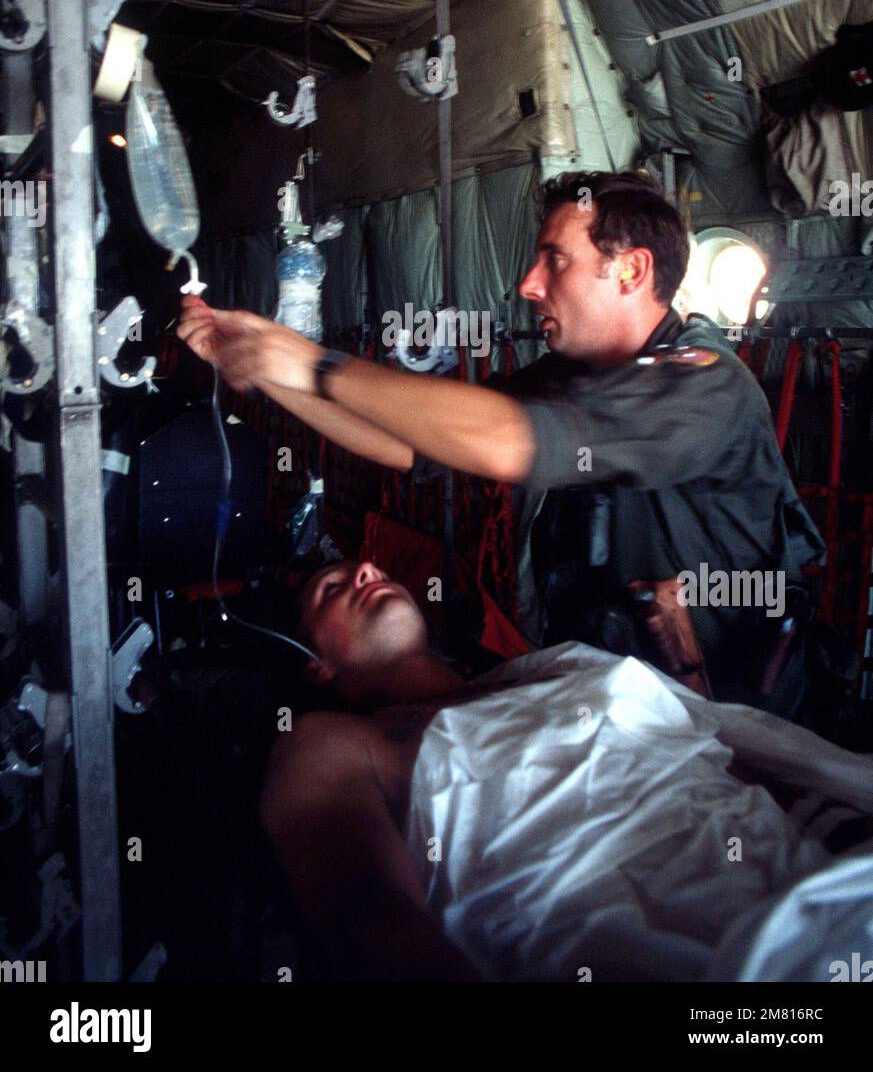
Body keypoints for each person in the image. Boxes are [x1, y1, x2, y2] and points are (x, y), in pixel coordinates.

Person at [178, 170, 824, 716]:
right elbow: (407, 444)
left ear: (629, 270)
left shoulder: (700, 384)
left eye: (555, 260)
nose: (528, 285)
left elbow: (508, 440)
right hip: (616, 704)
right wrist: (267, 370)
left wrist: (314, 364)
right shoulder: (570, 377)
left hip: (730, 717)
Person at [259, 558, 873, 983]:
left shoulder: (556, 672)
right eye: (332, 588)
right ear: (316, 666)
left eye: (369, 569)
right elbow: (363, 913)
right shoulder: (338, 742)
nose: (366, 571)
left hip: (818, 881)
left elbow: (715, 742)